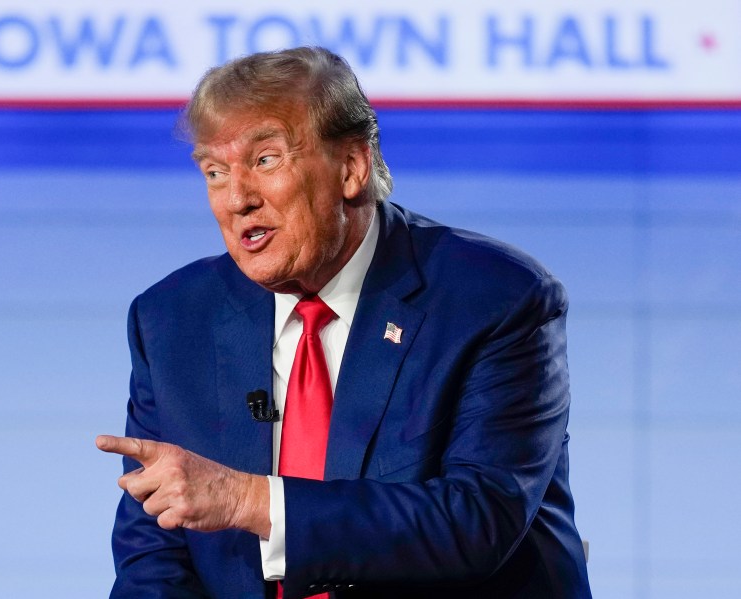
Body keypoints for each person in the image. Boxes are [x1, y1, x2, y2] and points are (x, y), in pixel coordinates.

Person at [96, 46, 591, 598]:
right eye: (214, 171)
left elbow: (477, 519)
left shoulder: (494, 299)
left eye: (265, 161)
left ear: (351, 167)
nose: (236, 199)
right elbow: (153, 550)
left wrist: (249, 501)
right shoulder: (173, 318)